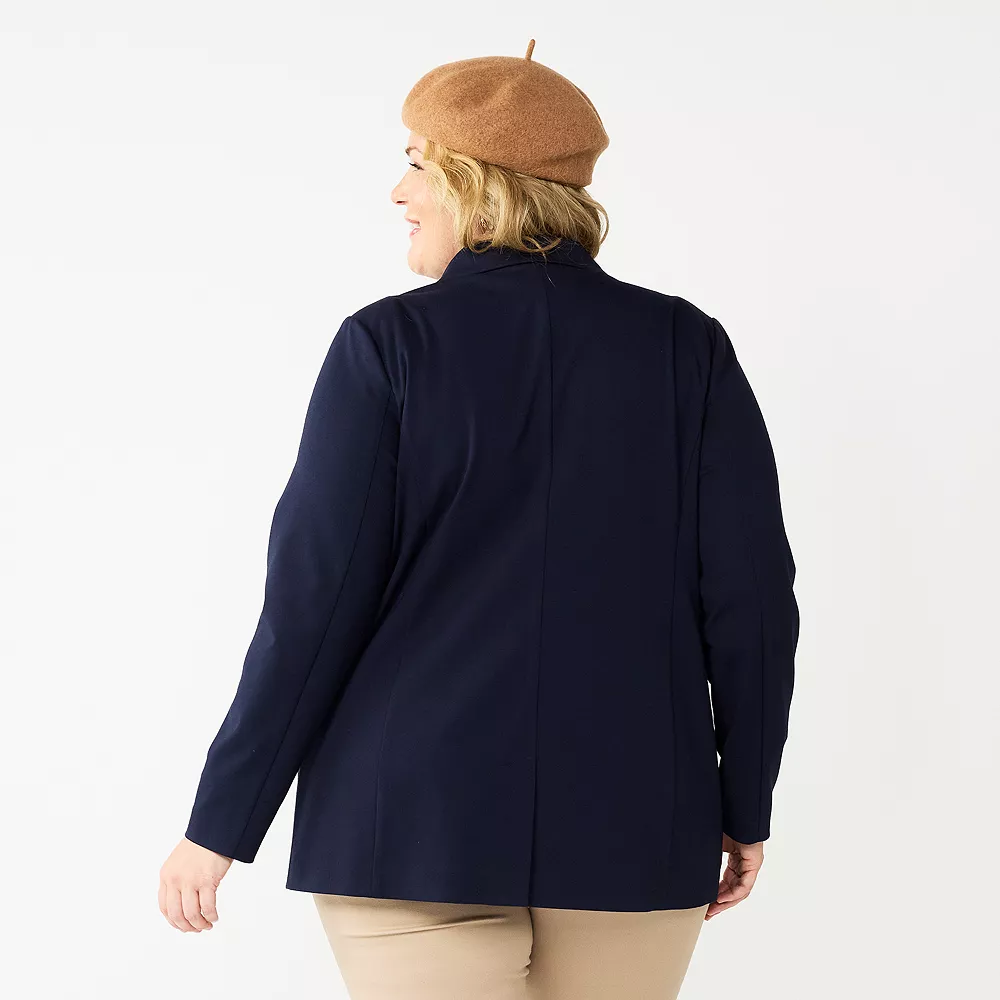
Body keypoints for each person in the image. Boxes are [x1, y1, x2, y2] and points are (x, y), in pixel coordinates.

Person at [158, 39, 799, 1000]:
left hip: (412, 822)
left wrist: (222, 821)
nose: (398, 192)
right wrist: (744, 801)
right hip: (635, 823)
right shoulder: (686, 348)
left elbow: (315, 603)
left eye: (417, 164)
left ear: (476, 182)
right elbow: (752, 604)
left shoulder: (390, 344)